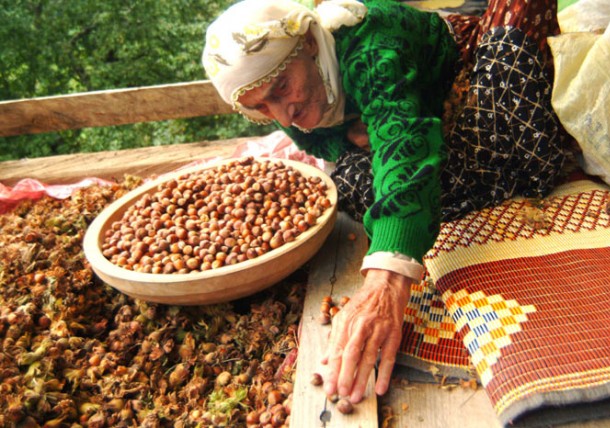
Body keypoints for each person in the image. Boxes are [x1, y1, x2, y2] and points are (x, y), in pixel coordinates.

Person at [202, 0, 569, 404]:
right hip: (406, 109)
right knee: (356, 185)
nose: (284, 119)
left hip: (455, 69)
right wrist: (354, 135)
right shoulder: (294, 101)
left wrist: (386, 279)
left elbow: (401, 144)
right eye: (260, 109)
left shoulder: (373, 50)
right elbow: (335, 144)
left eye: (281, 89)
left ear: (309, 42)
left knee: (506, 122)